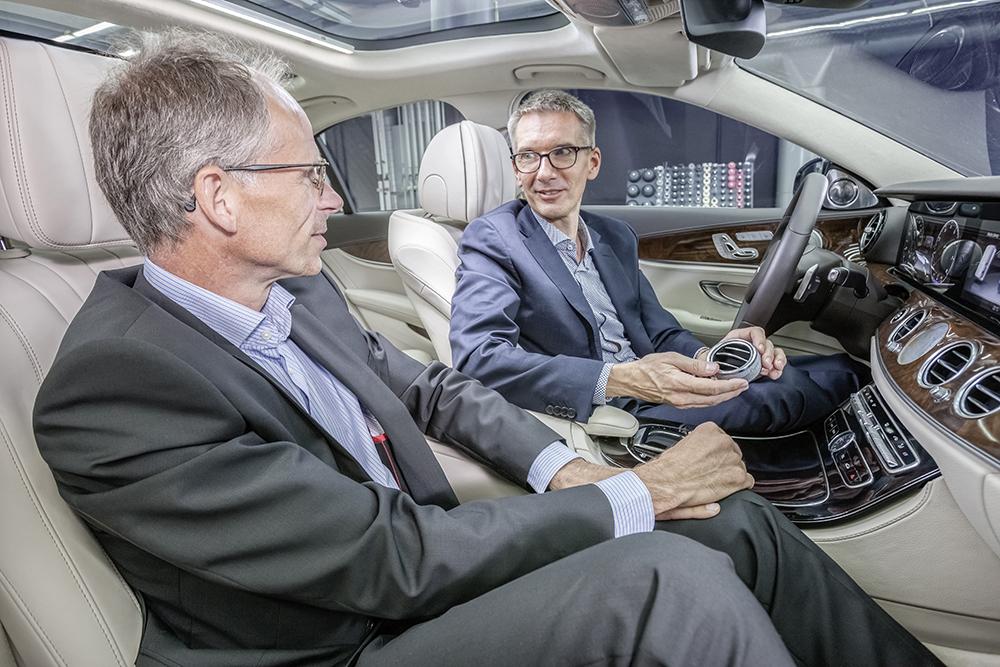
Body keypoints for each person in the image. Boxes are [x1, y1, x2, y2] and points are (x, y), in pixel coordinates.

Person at [32, 33, 938, 667]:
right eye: (310, 173)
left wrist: (562, 468)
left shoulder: (294, 290)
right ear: (218, 196)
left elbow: (431, 390)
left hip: (413, 570)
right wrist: (637, 488)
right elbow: (387, 557)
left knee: (732, 520)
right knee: (672, 583)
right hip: (337, 644)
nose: (333, 198)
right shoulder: (117, 386)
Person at [450, 89, 868, 434]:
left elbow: (661, 331)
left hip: (657, 382)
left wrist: (711, 359)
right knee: (787, 393)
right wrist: (621, 379)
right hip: (611, 407)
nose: (543, 172)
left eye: (562, 152)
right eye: (528, 156)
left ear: (592, 163)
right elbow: (479, 357)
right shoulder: (494, 238)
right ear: (516, 168)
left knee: (836, 367)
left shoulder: (613, 235)